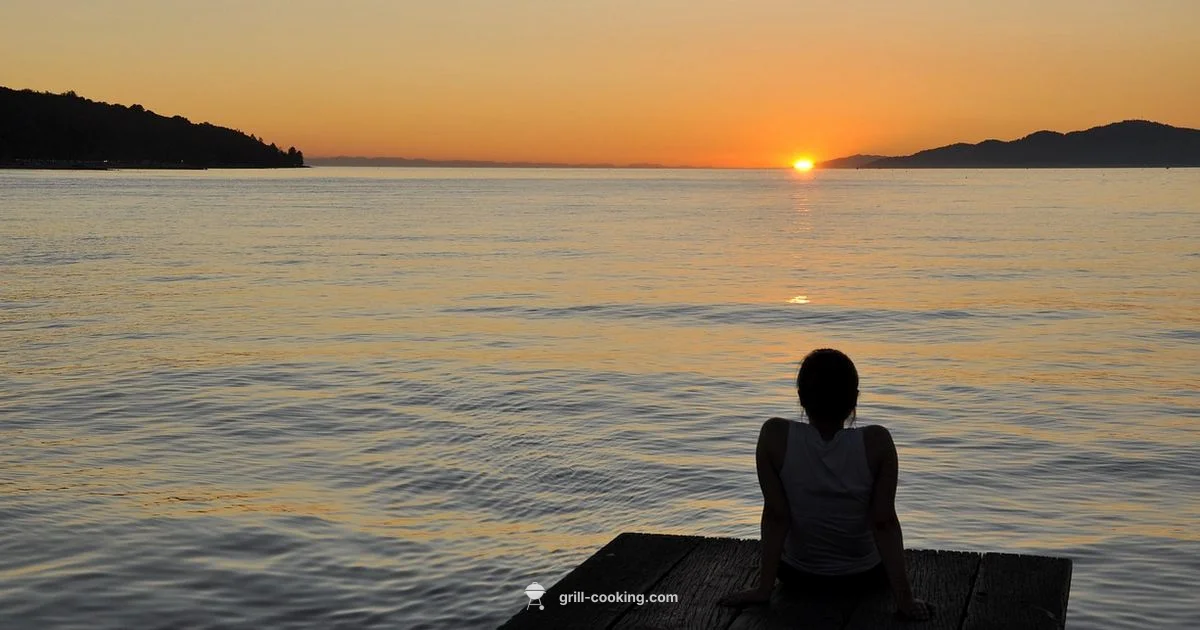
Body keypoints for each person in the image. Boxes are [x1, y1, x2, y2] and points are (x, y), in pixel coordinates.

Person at [719, 349, 933, 621]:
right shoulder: (877, 443)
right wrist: (905, 600)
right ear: (854, 398)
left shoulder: (775, 437)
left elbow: (777, 516)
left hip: (798, 575)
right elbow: (884, 523)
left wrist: (763, 589)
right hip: (863, 576)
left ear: (801, 397)